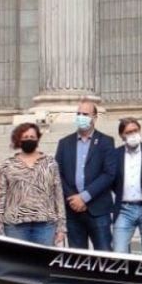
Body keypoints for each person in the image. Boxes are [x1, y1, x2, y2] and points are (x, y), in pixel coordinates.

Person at [55, 97, 117, 251]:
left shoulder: (106, 142)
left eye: (85, 114)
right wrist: (73, 198)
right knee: (77, 257)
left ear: (94, 118)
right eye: (78, 114)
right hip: (72, 210)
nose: (81, 117)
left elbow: (109, 174)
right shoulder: (64, 143)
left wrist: (84, 197)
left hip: (98, 210)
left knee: (104, 256)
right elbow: (57, 174)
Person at [0, 122, 66, 247]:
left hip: (45, 226)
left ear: (37, 139)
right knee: (18, 259)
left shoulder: (50, 163)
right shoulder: (8, 165)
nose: (29, 140)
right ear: (19, 140)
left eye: (32, 137)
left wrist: (61, 227)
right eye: (25, 137)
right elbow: (0, 197)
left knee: (43, 259)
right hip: (15, 226)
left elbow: (58, 195)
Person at [111, 117, 142, 255]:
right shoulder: (115, 154)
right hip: (125, 209)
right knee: (119, 251)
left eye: (135, 130)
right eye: (129, 132)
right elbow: (112, 180)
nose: (133, 134)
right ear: (122, 135)